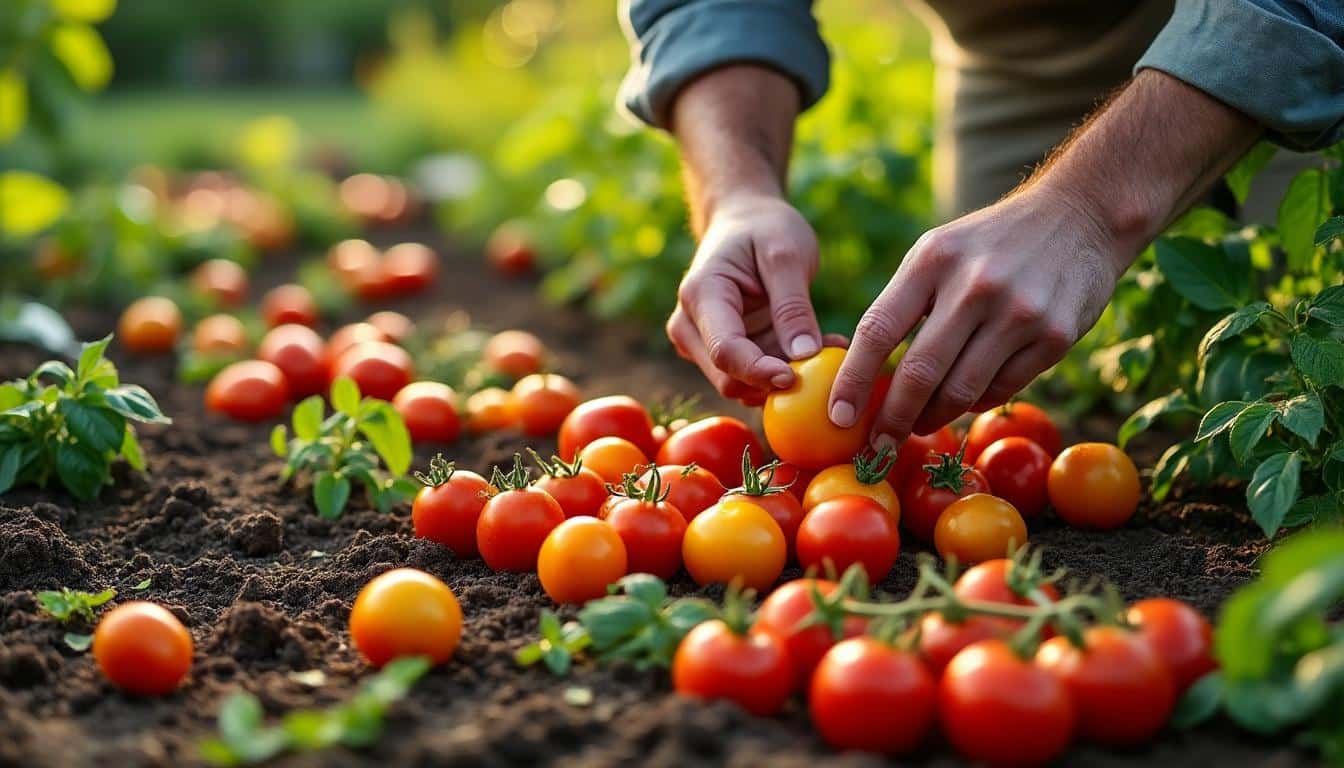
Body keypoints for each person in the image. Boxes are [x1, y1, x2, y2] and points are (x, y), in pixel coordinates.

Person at [618, 0, 1344, 451]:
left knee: (1290, 374)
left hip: (1275, 18)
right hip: (1016, 43)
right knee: (997, 369)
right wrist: (738, 191)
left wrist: (1088, 207)